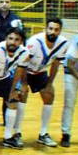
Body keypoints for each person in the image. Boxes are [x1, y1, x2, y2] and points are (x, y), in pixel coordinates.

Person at [14, 18, 68, 147]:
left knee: (49, 95)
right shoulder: (35, 42)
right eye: (50, 29)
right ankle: (17, 133)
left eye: (56, 29)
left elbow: (55, 64)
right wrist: (24, 84)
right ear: (45, 29)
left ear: (60, 31)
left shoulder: (64, 44)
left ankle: (43, 134)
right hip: (25, 71)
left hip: (40, 73)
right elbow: (23, 63)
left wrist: (50, 83)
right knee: (21, 96)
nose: (53, 32)